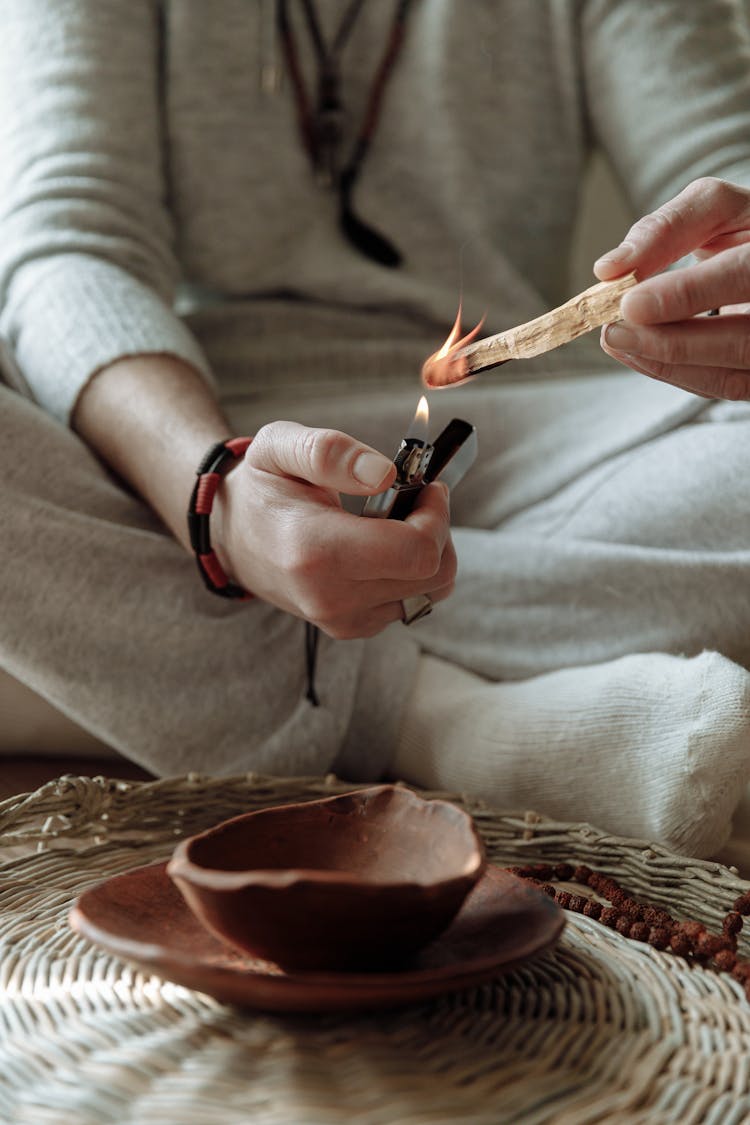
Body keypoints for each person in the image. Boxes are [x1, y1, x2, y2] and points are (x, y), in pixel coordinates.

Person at [1, 0, 750, 857]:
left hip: (549, 437)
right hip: (166, 433)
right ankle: (440, 722)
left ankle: (137, 672)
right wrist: (215, 499)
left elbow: (719, 168)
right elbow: (71, 248)